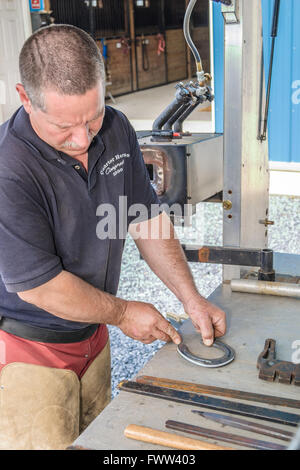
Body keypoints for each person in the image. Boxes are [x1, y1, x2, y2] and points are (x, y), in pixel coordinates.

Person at [0, 24, 226, 450]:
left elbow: (146, 219)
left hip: (93, 337)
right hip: (29, 352)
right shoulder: (9, 170)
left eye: (94, 116)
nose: (84, 139)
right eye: (64, 126)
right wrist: (123, 314)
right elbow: (40, 286)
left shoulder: (117, 129)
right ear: (25, 98)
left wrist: (190, 297)